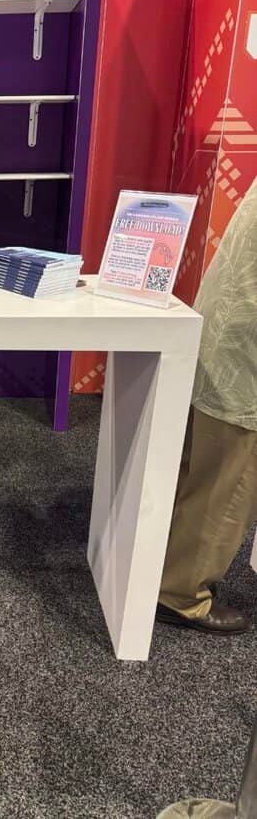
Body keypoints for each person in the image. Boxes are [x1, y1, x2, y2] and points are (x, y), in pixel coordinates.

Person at [156, 176, 257, 635]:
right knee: (228, 477)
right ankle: (181, 593)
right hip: (245, 343)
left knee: (198, 466)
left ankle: (161, 568)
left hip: (227, 324)